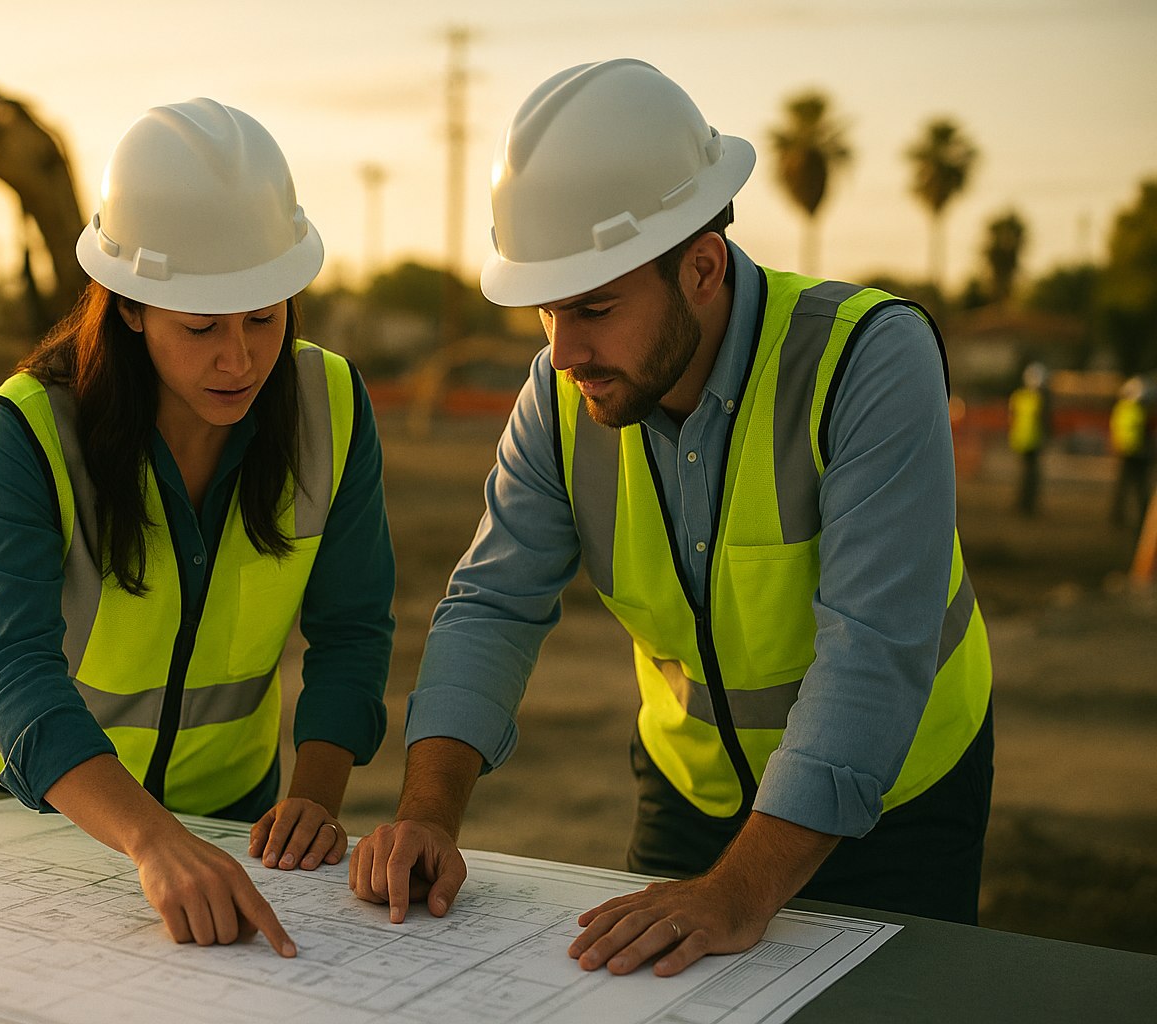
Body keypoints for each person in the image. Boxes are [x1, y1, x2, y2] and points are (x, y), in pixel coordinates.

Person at [349, 60, 991, 979]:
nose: (563, 351)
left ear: (701, 264)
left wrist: (739, 892)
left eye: (595, 308)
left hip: (901, 800)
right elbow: (492, 604)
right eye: (545, 311)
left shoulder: (868, 360)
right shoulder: (563, 391)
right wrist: (427, 814)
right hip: (690, 796)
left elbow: (874, 652)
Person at [0, 99, 395, 957]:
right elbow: (10, 668)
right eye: (201, 327)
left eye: (264, 317)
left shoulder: (331, 408)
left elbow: (353, 627)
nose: (240, 359)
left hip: (228, 819)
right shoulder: (31, 428)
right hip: (18, 807)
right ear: (132, 306)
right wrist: (151, 838)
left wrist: (315, 801)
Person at [1008, 362, 1052, 516]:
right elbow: (1045, 421)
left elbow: (1012, 417)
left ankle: (1022, 504)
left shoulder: (1018, 396)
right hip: (1033, 441)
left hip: (1020, 440)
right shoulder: (1039, 400)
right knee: (1031, 476)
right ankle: (1028, 506)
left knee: (1024, 475)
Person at [1109, 376, 1151, 528]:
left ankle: (1117, 517)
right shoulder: (1139, 410)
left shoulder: (1120, 408)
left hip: (1125, 452)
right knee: (1140, 489)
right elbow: (1146, 433)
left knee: (1123, 487)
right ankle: (1143, 519)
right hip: (1138, 454)